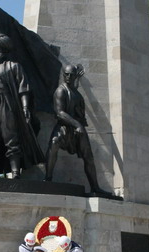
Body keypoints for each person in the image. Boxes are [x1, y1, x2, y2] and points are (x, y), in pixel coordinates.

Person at [0, 33, 44, 178]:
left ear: (5, 49)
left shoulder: (13, 66)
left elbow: (24, 90)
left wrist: (24, 108)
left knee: (10, 136)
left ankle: (15, 171)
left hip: (7, 104)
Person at [44, 63, 104, 195]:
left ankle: (95, 188)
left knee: (88, 157)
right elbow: (60, 112)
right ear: (63, 75)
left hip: (77, 129)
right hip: (64, 126)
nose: (68, 77)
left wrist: (78, 79)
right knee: (53, 144)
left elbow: (74, 92)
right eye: (66, 74)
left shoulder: (75, 92)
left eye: (72, 75)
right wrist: (77, 125)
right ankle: (47, 179)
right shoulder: (60, 90)